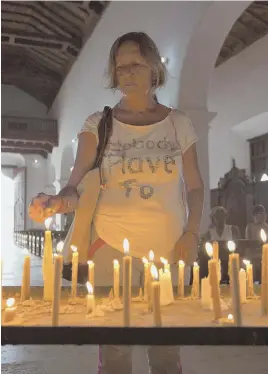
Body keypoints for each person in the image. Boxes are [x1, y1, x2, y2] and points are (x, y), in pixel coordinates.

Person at [29, 32, 204, 374]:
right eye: (120, 67)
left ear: (154, 67)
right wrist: (56, 202)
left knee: (166, 350)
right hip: (110, 249)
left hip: (168, 250)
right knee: (115, 350)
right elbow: (75, 184)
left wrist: (192, 233)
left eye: (136, 64)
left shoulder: (178, 123)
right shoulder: (99, 124)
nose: (127, 73)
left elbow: (195, 186)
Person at [200, 206, 240, 282]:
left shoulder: (233, 229)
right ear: (213, 218)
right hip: (214, 259)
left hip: (230, 258)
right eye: (217, 217)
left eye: (222, 216)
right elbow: (205, 247)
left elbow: (238, 245)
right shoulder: (209, 232)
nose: (220, 219)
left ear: (226, 217)